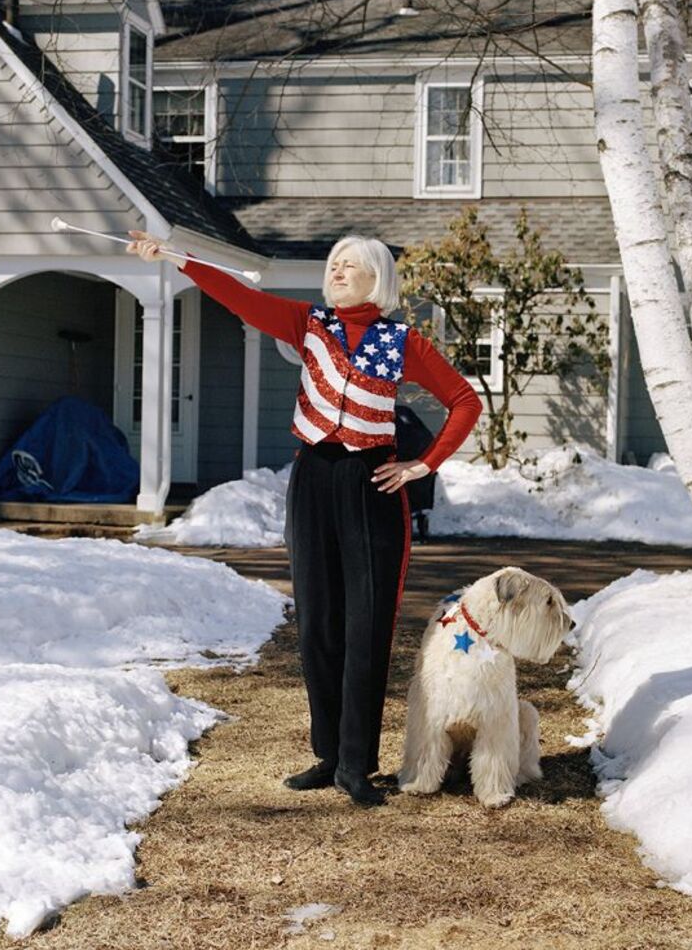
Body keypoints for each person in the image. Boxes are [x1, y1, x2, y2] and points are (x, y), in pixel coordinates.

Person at [126, 230, 483, 807]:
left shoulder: (403, 341)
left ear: (377, 276)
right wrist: (174, 257)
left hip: (372, 484)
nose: (336, 271)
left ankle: (356, 763)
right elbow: (237, 296)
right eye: (333, 263)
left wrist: (423, 465)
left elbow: (465, 401)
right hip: (313, 478)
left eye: (350, 264)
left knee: (366, 626)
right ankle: (326, 754)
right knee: (317, 620)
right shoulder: (309, 324)